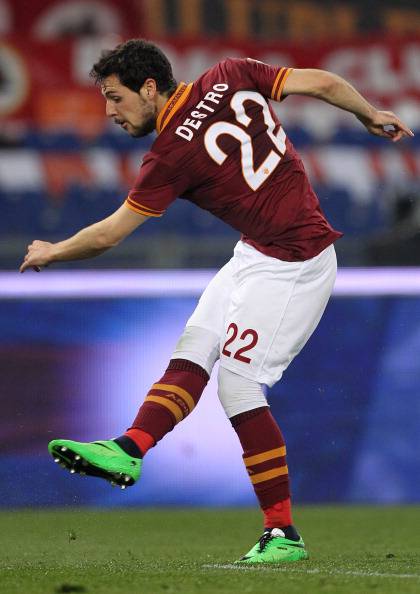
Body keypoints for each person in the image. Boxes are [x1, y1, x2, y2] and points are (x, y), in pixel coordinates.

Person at [20, 39, 413, 564]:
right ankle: (130, 448)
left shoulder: (169, 157)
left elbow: (110, 235)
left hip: (295, 262)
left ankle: (283, 533)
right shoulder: (230, 72)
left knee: (238, 385)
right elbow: (320, 81)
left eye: (116, 97)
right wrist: (368, 114)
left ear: (150, 87)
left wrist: (54, 250)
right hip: (257, 251)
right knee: (194, 348)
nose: (110, 112)